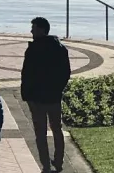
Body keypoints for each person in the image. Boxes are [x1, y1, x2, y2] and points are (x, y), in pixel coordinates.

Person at [21, 17, 71, 173]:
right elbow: (66, 73)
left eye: (34, 28)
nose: (31, 31)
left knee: (40, 133)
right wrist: (58, 89)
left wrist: (27, 96)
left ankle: (46, 166)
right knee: (57, 129)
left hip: (37, 99)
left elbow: (27, 75)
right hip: (54, 97)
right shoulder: (60, 48)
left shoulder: (33, 49)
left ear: (42, 29)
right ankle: (59, 161)